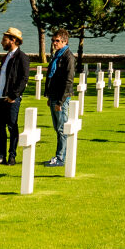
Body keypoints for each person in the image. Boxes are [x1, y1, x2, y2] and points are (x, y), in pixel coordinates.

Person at [0, 27, 30, 166]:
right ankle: (1, 156)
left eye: (4, 39)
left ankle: (12, 156)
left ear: (13, 40)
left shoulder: (22, 57)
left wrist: (13, 95)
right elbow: (0, 78)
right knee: (0, 128)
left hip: (11, 98)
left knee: (12, 126)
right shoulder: (5, 57)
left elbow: (24, 78)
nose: (2, 42)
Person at [43, 29, 78, 167]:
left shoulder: (68, 57)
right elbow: (51, 76)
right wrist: (49, 96)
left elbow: (68, 80)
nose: (54, 43)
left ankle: (61, 157)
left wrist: (60, 101)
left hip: (61, 98)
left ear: (65, 41)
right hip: (53, 96)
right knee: (57, 128)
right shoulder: (57, 55)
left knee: (62, 128)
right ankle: (59, 156)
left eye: (57, 41)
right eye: (53, 40)